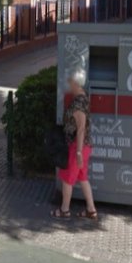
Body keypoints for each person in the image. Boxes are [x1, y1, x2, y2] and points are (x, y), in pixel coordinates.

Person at [55, 70, 97, 220]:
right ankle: (91, 209)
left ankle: (64, 210)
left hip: (77, 146)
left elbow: (80, 129)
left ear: (76, 83)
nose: (69, 84)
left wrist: (78, 152)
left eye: (70, 81)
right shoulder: (83, 97)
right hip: (84, 146)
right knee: (82, 177)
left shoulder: (78, 103)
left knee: (67, 177)